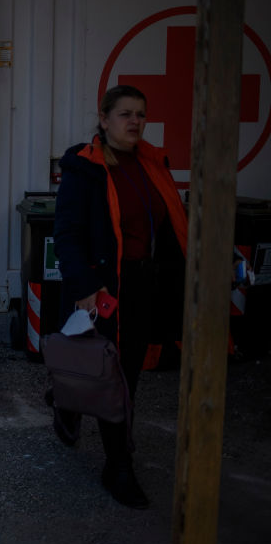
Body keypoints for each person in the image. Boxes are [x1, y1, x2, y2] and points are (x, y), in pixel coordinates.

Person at [52, 84, 187, 509]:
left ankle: (69, 403)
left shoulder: (151, 163)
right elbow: (68, 235)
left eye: (141, 115)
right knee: (112, 378)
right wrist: (87, 287)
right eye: (125, 113)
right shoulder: (86, 168)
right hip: (105, 288)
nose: (134, 122)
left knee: (126, 376)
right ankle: (118, 465)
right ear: (104, 118)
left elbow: (168, 228)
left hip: (145, 286)